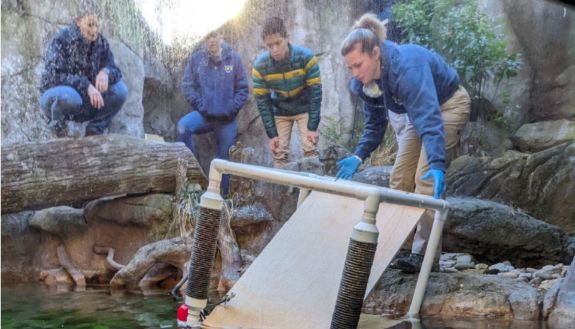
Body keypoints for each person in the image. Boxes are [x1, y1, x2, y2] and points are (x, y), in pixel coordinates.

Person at [336, 13, 471, 273]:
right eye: (350, 67)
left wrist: (437, 162)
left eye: (358, 65)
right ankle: (403, 248)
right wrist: (358, 155)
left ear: (375, 53)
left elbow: (430, 117)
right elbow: (376, 125)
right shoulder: (368, 81)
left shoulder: (407, 68)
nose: (354, 73)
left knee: (425, 180)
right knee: (399, 179)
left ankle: (425, 257)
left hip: (448, 105)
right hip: (417, 111)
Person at [178, 31, 249, 197]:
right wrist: (201, 105)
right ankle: (193, 180)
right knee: (183, 127)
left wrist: (231, 109)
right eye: (207, 36)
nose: (211, 40)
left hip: (226, 119)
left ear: (221, 37)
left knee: (223, 161)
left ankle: (222, 198)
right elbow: (187, 86)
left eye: (214, 35)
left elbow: (243, 89)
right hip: (205, 116)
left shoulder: (233, 58)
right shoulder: (197, 59)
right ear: (204, 40)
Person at [40, 11, 128, 137]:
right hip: (55, 98)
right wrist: (86, 86)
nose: (94, 31)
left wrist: (106, 72)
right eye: (90, 25)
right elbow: (54, 76)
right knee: (69, 97)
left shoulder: (101, 42)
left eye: (97, 25)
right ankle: (59, 133)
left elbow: (115, 70)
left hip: (83, 102)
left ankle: (94, 131)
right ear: (78, 21)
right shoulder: (62, 39)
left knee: (121, 90)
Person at [252, 17, 322, 168]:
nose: (275, 49)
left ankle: (314, 188)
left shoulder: (306, 57)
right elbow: (263, 103)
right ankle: (281, 188)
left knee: (310, 147)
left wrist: (312, 127)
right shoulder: (259, 67)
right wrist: (272, 135)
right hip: (281, 109)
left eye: (278, 43)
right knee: (278, 152)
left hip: (304, 107)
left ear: (287, 39)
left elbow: (316, 93)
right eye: (270, 46)